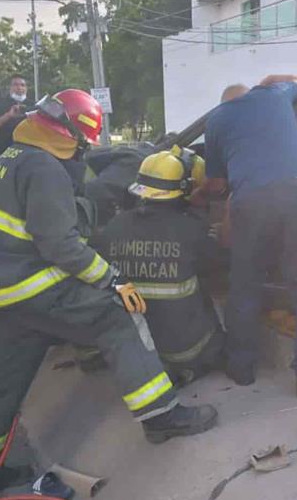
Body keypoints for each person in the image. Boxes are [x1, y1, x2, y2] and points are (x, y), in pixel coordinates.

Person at [0, 89, 217, 477]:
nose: (82, 151)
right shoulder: (45, 168)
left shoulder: (10, 159)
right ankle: (161, 416)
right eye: (82, 143)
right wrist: (112, 280)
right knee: (118, 316)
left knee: (3, 377)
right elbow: (60, 244)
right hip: (37, 286)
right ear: (70, 135)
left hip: (4, 294)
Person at [199, 76, 297, 399]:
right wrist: (268, 81)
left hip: (249, 204)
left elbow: (215, 182)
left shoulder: (216, 120)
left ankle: (241, 368)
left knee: (244, 286)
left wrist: (197, 195)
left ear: (224, 103)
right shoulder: (275, 94)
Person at [92, 146, 226, 386]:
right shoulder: (189, 231)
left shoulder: (114, 227)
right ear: (183, 189)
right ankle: (190, 369)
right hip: (185, 350)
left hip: (139, 349)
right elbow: (221, 263)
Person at [0, 74, 31, 158]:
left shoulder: (33, 105)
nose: (19, 88)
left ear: (26, 88)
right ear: (10, 87)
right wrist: (8, 115)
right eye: (15, 85)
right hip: (4, 152)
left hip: (28, 152)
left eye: (22, 85)